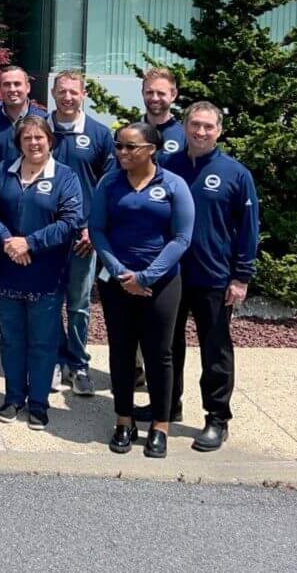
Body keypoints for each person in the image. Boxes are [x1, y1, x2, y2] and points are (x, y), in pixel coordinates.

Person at [91, 122, 195, 459]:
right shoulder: (109, 183)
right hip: (117, 282)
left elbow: (181, 238)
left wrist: (147, 277)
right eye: (119, 146)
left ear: (151, 150)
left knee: (159, 354)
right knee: (121, 351)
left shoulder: (173, 185)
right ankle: (124, 420)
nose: (122, 152)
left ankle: (160, 426)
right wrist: (121, 273)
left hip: (161, 284)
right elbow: (97, 229)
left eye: (130, 147)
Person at [161, 102, 260, 453]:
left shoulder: (236, 173)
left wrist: (241, 277)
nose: (200, 132)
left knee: (215, 350)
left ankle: (217, 418)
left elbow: (249, 229)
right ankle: (167, 406)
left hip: (215, 277)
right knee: (167, 346)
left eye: (208, 126)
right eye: (195, 125)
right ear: (184, 126)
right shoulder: (166, 166)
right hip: (171, 275)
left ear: (219, 131)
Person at [0, 115, 84, 431]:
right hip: (7, 270)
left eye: (40, 137)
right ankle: (13, 397)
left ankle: (38, 402)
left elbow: (70, 221)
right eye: (27, 138)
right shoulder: (3, 171)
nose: (34, 143)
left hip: (46, 274)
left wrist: (30, 243)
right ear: (19, 143)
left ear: (50, 141)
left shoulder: (65, 177)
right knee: (12, 340)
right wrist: (8, 241)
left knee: (42, 342)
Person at [0, 65, 47, 354]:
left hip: (36, 209)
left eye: (17, 84)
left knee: (35, 270)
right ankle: (1, 330)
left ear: (28, 87)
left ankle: (33, 333)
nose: (12, 89)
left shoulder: (43, 120)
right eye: (6, 85)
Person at [49, 71, 115, 398]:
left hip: (82, 238)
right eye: (62, 91)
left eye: (73, 92)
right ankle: (54, 360)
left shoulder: (100, 134)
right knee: (48, 301)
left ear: (83, 94)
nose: (67, 97)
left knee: (78, 304)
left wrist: (93, 227)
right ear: (53, 93)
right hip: (46, 235)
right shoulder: (39, 129)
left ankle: (78, 364)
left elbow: (109, 186)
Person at [142, 66, 186, 155]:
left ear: (173, 95)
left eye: (161, 93)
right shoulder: (129, 133)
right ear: (142, 93)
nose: (155, 98)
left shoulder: (184, 135)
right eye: (149, 92)